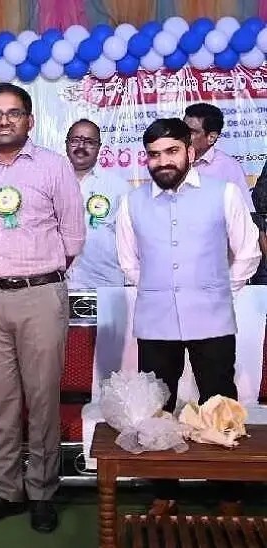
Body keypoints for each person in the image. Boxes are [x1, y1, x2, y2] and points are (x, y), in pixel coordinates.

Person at [0, 83, 85, 533]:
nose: (4, 120)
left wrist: (35, 271)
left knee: (43, 397)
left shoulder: (53, 167)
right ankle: (8, 490)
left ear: (30, 120)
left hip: (40, 294)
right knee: (0, 400)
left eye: (13, 113)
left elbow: (72, 237)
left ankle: (42, 492)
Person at [115, 118, 261, 516]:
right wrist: (160, 289)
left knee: (219, 400)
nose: (163, 161)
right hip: (155, 319)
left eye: (171, 151)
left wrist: (218, 290)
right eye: (154, 155)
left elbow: (248, 251)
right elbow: (129, 263)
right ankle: (164, 492)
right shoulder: (132, 202)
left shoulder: (224, 193)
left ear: (190, 152)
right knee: (156, 404)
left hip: (213, 318)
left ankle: (229, 493)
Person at [64, 119, 131, 289]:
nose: (81, 146)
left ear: (99, 147)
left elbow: (131, 240)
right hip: (57, 285)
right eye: (75, 140)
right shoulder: (51, 182)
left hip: (104, 283)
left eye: (89, 142)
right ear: (66, 143)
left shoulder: (119, 187)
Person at [184, 103, 254, 212]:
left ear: (211, 138)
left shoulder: (229, 167)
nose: (183, 136)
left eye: (191, 132)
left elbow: (245, 212)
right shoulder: (170, 161)